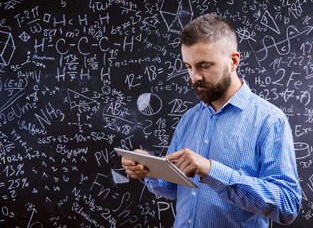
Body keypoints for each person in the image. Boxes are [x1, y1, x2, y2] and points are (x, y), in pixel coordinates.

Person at [122, 13, 302, 227]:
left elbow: (287, 205)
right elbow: (172, 190)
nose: (195, 76)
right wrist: (150, 168)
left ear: (233, 61)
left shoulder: (270, 121)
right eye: (189, 67)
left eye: (204, 66)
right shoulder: (189, 119)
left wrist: (210, 170)